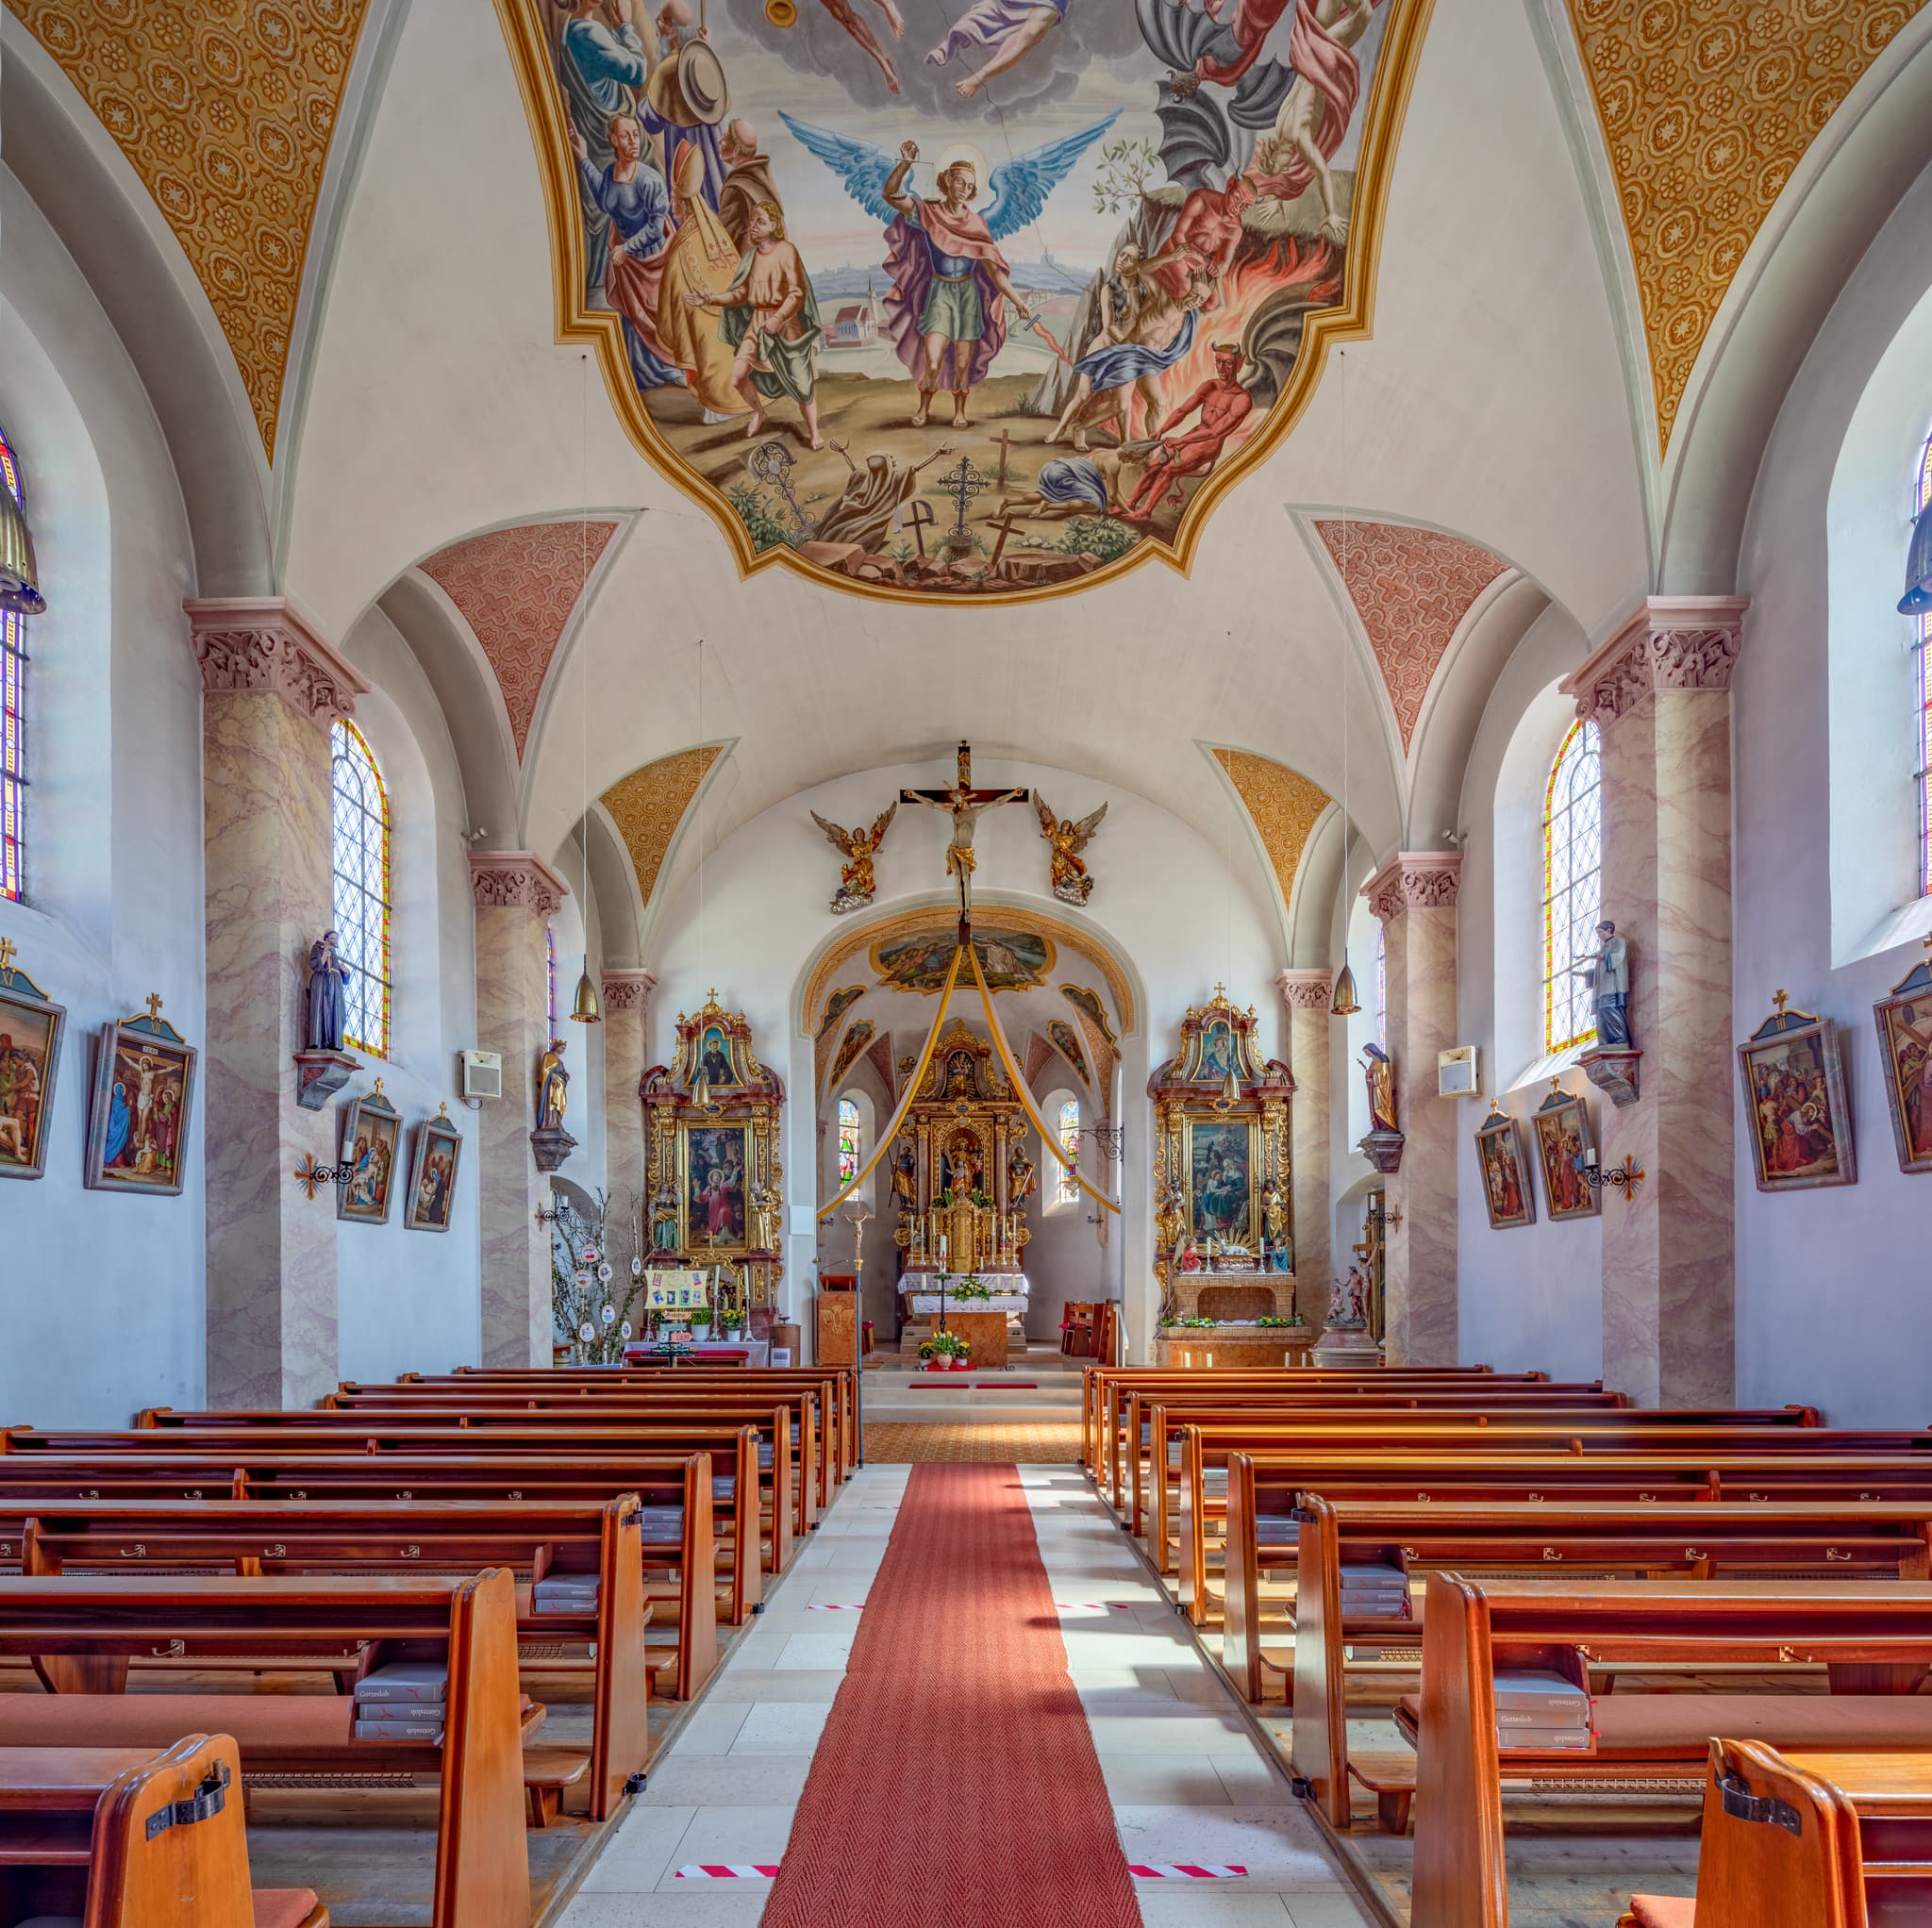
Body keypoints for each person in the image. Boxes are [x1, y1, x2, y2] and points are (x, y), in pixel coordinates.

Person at [880, 141, 1034, 429]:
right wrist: (905, 163)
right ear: (948, 181)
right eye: (959, 181)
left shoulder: (977, 225)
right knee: (934, 359)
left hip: (968, 296)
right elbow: (889, 194)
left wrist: (1018, 301)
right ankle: (924, 408)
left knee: (962, 363)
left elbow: (994, 270)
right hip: (939, 293)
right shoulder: (928, 212)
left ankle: (959, 412)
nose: (963, 188)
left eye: (969, 185)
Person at [686, 203, 825, 448]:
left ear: (774, 225)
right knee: (738, 377)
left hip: (784, 324)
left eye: (760, 221)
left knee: (803, 386)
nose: (753, 226)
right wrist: (709, 298)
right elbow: (741, 293)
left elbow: (797, 293)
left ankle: (814, 432)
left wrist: (778, 318)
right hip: (758, 323)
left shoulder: (786, 251)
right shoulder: (751, 257)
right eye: (752, 221)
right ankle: (760, 412)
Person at [570, 115, 682, 392]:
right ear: (614, 140)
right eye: (625, 136)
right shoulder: (610, 173)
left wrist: (627, 248)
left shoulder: (649, 179)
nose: (633, 141)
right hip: (626, 261)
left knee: (655, 315)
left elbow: (656, 229)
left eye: (635, 135)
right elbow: (603, 198)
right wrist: (584, 159)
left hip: (651, 258)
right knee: (632, 316)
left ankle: (669, 367)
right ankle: (641, 373)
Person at [558, 0, 649, 300]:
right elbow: (636, 71)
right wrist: (626, 25)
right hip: (608, 143)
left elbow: (607, 69)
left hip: (598, 140)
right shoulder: (588, 34)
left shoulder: (571, 31)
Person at [658, 141, 752, 420]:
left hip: (711, 322)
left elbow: (672, 291)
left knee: (702, 334)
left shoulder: (684, 240)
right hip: (728, 321)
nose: (672, 204)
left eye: (674, 198)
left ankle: (718, 406)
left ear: (679, 201)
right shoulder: (714, 228)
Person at [1120, 341, 1255, 522]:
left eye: (1228, 363)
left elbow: (1215, 432)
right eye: (1218, 361)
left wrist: (1180, 441)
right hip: (1195, 433)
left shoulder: (1242, 399)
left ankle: (1146, 511)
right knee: (1153, 465)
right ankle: (1130, 503)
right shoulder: (1210, 386)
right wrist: (1162, 430)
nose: (1221, 368)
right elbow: (1183, 411)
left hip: (1209, 444)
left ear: (1238, 365)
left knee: (1168, 470)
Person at [925, 0, 1069, 99]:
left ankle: (981, 76)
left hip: (1050, 4)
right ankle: (950, 46)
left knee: (1031, 32)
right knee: (978, 17)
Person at [717, 121, 784, 253]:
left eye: (724, 138)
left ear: (736, 150)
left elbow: (723, 236)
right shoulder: (763, 179)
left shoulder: (735, 187)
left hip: (750, 265)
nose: (719, 141)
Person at [1568, 920, 1633, 1049]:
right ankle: (1606, 1041)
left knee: (1611, 1010)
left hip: (1613, 986)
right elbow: (1598, 971)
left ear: (1609, 930)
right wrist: (1583, 974)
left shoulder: (1618, 942)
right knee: (1602, 1012)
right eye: (1598, 933)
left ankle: (1619, 1040)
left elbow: (1619, 957)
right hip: (1602, 988)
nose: (1599, 936)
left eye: (1601, 933)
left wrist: (1604, 957)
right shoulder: (1603, 948)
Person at [305, 931, 351, 1053]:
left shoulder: (335, 953)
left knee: (337, 1012)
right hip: (322, 981)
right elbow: (314, 964)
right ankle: (317, 1041)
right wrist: (324, 956)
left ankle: (334, 1042)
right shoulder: (318, 948)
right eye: (332, 938)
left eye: (336, 939)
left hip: (336, 984)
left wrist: (346, 973)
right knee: (320, 1008)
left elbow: (343, 976)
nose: (335, 941)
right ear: (326, 938)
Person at [1359, 1040, 1397, 1134]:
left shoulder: (1383, 1058)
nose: (1367, 1055)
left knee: (1382, 1107)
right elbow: (1370, 1075)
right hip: (1375, 1089)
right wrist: (1368, 1076)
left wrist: (1373, 1074)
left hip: (1382, 1089)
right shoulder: (1373, 1062)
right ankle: (1379, 1126)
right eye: (1365, 1053)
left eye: (1367, 1052)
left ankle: (1387, 1125)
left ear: (1372, 1050)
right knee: (1375, 1107)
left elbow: (1385, 1075)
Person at [538, 1037, 571, 1131]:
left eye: (564, 1048)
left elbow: (561, 1071)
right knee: (552, 1102)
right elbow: (545, 1070)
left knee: (559, 1103)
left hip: (560, 1085)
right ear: (556, 1046)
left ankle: (556, 1121)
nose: (563, 1050)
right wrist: (551, 1075)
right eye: (562, 1048)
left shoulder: (560, 1060)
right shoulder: (549, 1056)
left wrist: (565, 1075)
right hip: (552, 1085)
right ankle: (550, 1122)